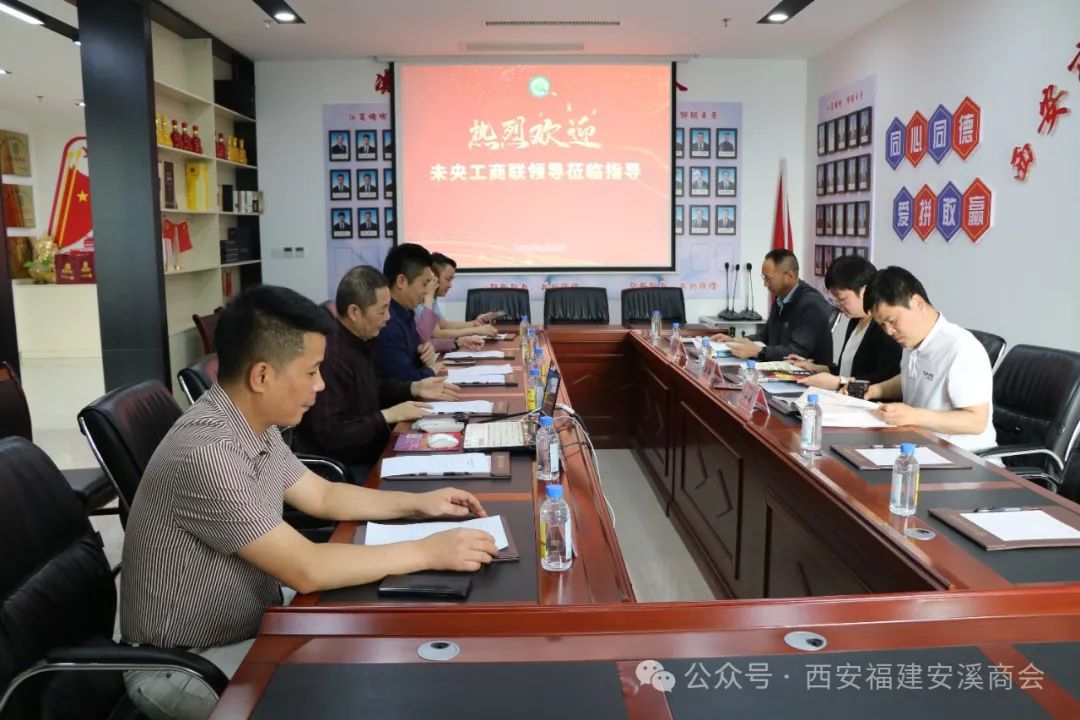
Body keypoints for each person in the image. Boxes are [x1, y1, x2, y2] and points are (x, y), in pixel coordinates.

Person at [120, 285, 498, 719]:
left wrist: (418, 504)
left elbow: (323, 494)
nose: (321, 385)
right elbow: (308, 568)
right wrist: (428, 551)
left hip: (255, 618)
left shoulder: (251, 422)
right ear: (262, 376)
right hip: (188, 664)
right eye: (312, 371)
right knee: (357, 694)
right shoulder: (207, 453)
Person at [294, 266, 460, 480]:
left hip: (374, 448)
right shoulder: (331, 356)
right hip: (349, 466)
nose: (388, 317)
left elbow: (372, 386)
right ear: (354, 312)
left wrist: (414, 387)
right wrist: (387, 415)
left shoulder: (361, 340)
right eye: (382, 311)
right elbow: (332, 433)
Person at [861, 267, 997, 451]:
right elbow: (913, 377)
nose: (889, 331)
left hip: (963, 456)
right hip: (919, 446)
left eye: (891, 321)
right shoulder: (912, 340)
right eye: (882, 325)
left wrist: (913, 416)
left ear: (917, 303)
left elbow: (976, 421)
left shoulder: (961, 348)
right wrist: (874, 390)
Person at [788, 256, 901, 392]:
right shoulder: (855, 321)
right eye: (835, 299)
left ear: (864, 291)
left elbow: (886, 381)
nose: (838, 305)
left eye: (841, 299)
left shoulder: (884, 327)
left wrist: (839, 382)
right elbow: (847, 370)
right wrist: (816, 368)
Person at [711, 249, 833, 362]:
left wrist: (759, 352)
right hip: (780, 369)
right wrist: (735, 341)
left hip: (807, 374)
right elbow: (765, 336)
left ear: (789, 276)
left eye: (768, 279)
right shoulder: (781, 299)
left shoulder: (811, 305)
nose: (765, 284)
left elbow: (798, 351)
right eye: (764, 278)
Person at [373, 243, 441, 381]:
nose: (427, 291)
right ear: (401, 281)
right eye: (424, 284)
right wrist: (431, 370)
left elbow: (408, 363)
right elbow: (405, 379)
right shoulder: (388, 321)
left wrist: (423, 353)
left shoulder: (406, 313)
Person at [418, 253, 499, 351]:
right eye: (447, 279)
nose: (450, 285)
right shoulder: (422, 300)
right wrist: (476, 330)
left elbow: (444, 324)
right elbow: (437, 334)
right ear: (434, 278)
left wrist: (474, 323)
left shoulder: (432, 299)